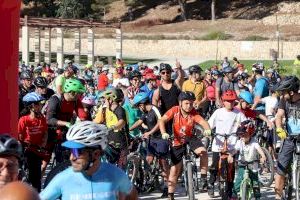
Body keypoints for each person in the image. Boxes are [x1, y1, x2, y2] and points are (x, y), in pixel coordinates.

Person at [40, 121, 138, 200]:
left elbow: (132, 195)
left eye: (77, 152)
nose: (72, 157)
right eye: (71, 151)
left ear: (96, 154)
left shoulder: (116, 174)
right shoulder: (62, 178)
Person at [159, 91, 211, 199]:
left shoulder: (194, 113)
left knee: (203, 153)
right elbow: (162, 120)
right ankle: (170, 195)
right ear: (180, 103)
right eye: (186, 103)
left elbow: (203, 122)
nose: (189, 106)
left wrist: (207, 130)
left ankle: (203, 179)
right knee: (174, 170)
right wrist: (164, 133)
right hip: (177, 140)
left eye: (191, 103)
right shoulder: (175, 110)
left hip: (191, 138)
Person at [208, 90, 247, 198]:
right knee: (215, 166)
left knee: (231, 169)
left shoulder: (239, 113)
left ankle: (229, 191)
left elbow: (245, 124)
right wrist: (207, 131)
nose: (230, 103)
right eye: (227, 101)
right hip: (218, 143)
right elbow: (209, 125)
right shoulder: (218, 112)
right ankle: (211, 183)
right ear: (223, 101)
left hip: (232, 145)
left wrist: (244, 129)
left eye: (232, 101)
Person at [130, 92, 169, 197]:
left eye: (139, 106)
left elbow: (160, 122)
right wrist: (127, 129)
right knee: (148, 161)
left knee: (162, 162)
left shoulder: (155, 109)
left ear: (142, 104)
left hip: (161, 138)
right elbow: (139, 122)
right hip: (151, 140)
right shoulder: (145, 113)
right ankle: (150, 181)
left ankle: (166, 187)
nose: (139, 108)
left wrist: (149, 133)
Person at [46, 78, 88, 164]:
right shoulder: (55, 99)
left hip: (65, 130)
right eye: (79, 93)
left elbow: (83, 116)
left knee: (71, 155)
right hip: (50, 130)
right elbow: (49, 120)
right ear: (72, 92)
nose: (80, 96)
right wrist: (66, 123)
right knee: (44, 164)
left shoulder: (75, 101)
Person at [273, 76, 300, 200]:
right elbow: (279, 115)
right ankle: (278, 197)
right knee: (281, 168)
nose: (282, 95)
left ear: (292, 91)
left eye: (283, 92)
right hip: (289, 138)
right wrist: (279, 128)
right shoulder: (284, 100)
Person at [18, 92, 48, 192]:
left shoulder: (42, 118)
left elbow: (45, 132)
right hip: (28, 150)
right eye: (38, 104)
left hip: (38, 150)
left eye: (40, 104)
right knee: (31, 176)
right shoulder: (24, 120)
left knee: (37, 178)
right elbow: (20, 136)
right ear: (31, 107)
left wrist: (44, 141)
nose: (40, 106)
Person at [93, 88, 128, 169]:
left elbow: (122, 122)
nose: (104, 102)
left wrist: (114, 127)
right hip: (108, 141)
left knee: (120, 168)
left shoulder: (120, 110)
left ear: (110, 99)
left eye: (105, 99)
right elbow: (95, 122)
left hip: (121, 143)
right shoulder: (104, 110)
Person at [231, 120, 266, 200]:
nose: (242, 137)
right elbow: (235, 150)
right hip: (242, 164)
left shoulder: (254, 142)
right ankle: (234, 195)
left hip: (253, 165)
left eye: (244, 135)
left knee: (255, 183)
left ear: (250, 134)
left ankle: (257, 197)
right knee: (238, 180)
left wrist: (263, 156)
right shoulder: (240, 142)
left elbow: (259, 149)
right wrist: (230, 155)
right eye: (241, 135)